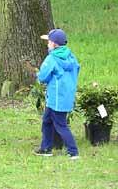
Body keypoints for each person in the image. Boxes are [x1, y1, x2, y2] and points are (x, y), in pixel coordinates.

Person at [34, 28, 80, 159]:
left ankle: (73, 151)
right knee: (47, 121)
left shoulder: (51, 58)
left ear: (54, 44)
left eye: (48, 42)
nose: (47, 44)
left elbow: (42, 76)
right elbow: (76, 69)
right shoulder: (71, 56)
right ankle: (46, 148)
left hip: (55, 98)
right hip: (66, 96)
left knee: (61, 125)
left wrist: (40, 76)